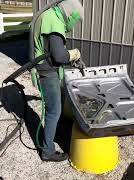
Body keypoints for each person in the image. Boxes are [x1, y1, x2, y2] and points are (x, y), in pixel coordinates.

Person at [32, 0, 84, 162]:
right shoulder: (54, 22)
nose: (73, 24)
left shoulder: (50, 16)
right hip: (47, 72)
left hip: (47, 69)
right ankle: (47, 151)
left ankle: (54, 132)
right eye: (75, 20)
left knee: (56, 107)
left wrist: (72, 60)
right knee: (53, 110)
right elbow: (59, 56)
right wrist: (75, 54)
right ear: (71, 14)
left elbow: (52, 51)